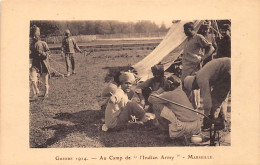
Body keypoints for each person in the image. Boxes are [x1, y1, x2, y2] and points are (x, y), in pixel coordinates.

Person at [184, 58, 231, 129]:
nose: (196, 89)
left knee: (216, 98)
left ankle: (215, 122)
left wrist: (206, 114)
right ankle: (220, 121)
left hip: (227, 70)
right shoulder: (201, 75)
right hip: (227, 69)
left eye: (194, 88)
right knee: (220, 97)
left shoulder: (200, 79)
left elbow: (207, 98)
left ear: (193, 83)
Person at [181, 22, 215, 109]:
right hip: (186, 68)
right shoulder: (187, 40)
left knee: (193, 88)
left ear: (191, 29)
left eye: (186, 29)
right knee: (185, 88)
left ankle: (195, 109)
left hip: (194, 68)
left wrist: (203, 58)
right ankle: (188, 109)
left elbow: (211, 48)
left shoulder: (198, 37)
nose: (184, 31)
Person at [29, 25, 51, 99]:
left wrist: (41, 53)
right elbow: (31, 55)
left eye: (36, 35)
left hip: (43, 63)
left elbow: (48, 54)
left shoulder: (43, 43)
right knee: (32, 78)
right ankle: (36, 92)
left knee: (45, 79)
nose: (34, 37)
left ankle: (46, 92)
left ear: (38, 35)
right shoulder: (31, 45)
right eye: (33, 36)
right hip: (35, 64)